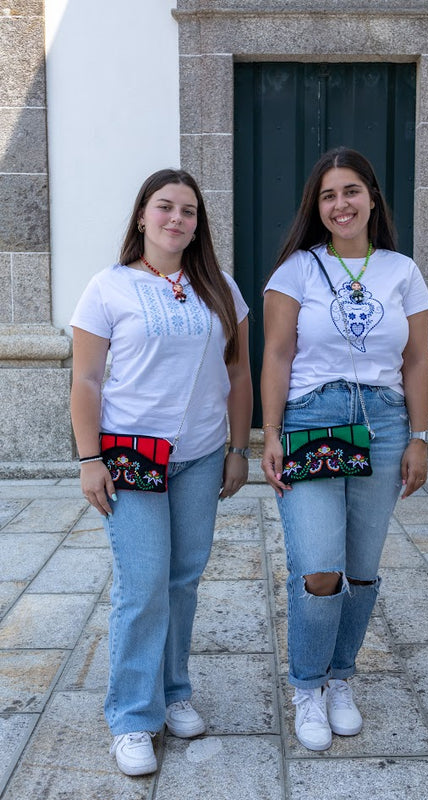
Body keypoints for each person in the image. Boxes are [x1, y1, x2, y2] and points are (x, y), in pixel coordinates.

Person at [70, 168, 252, 775]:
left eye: (189, 211)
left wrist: (236, 448)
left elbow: (240, 375)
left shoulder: (221, 288)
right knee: (143, 585)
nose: (177, 219)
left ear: (200, 224)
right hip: (131, 458)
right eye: (165, 207)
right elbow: (87, 381)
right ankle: (131, 716)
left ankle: (173, 693)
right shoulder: (108, 287)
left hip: (200, 457)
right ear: (142, 216)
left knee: (182, 581)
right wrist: (90, 459)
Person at [261, 147, 428, 751]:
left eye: (352, 191)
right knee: (320, 567)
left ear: (372, 200)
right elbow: (277, 356)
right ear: (318, 205)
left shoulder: (401, 271)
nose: (341, 205)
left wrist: (418, 435)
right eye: (329, 195)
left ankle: (341, 678)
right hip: (313, 418)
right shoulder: (296, 271)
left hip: (384, 423)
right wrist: (271, 433)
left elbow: (415, 359)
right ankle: (307, 685)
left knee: (361, 570)